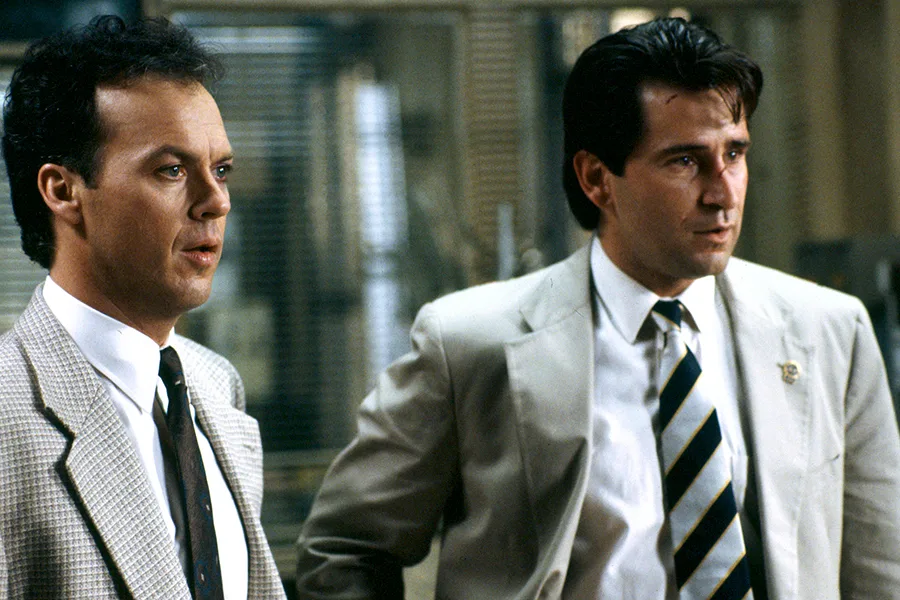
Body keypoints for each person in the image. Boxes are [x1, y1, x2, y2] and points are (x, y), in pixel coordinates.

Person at [296, 16, 900, 599]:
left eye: (735, 154)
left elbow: (881, 566)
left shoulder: (829, 332)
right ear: (596, 178)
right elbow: (344, 549)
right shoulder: (470, 345)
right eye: (685, 161)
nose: (723, 193)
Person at [0, 15, 286, 599]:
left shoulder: (215, 385)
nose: (216, 201)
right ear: (62, 191)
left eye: (221, 170)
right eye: (172, 170)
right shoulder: (8, 416)